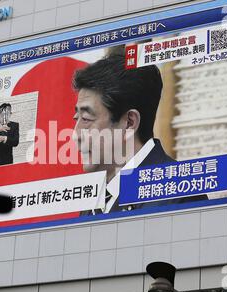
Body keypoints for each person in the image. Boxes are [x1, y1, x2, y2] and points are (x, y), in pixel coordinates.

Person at [72, 54, 207, 215]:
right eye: (76, 118)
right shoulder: (94, 199)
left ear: (129, 123)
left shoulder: (179, 193)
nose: (76, 135)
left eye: (86, 119)